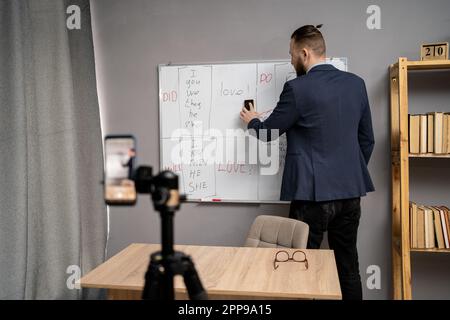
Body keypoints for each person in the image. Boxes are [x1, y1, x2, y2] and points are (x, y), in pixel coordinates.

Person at [239, 25, 375, 300]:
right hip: (350, 194)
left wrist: (251, 120)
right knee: (347, 267)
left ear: (304, 52)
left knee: (299, 266)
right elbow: (367, 140)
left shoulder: (297, 89)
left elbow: (267, 132)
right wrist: (348, 173)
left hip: (311, 197)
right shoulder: (356, 84)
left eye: (291, 55)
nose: (291, 60)